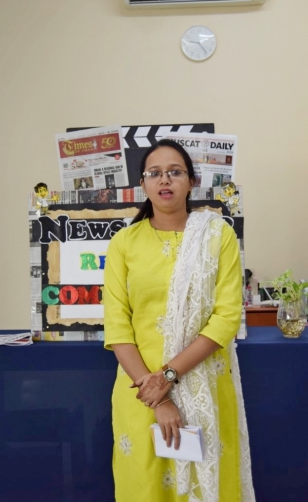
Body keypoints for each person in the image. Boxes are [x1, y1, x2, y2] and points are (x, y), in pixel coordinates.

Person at [103, 139, 254, 501]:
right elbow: (117, 327)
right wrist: (158, 397)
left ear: (191, 182)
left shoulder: (218, 236)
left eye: (175, 172)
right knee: (146, 488)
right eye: (154, 173)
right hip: (141, 392)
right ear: (143, 184)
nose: (165, 180)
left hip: (204, 384)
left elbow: (226, 318)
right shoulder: (124, 243)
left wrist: (168, 377)